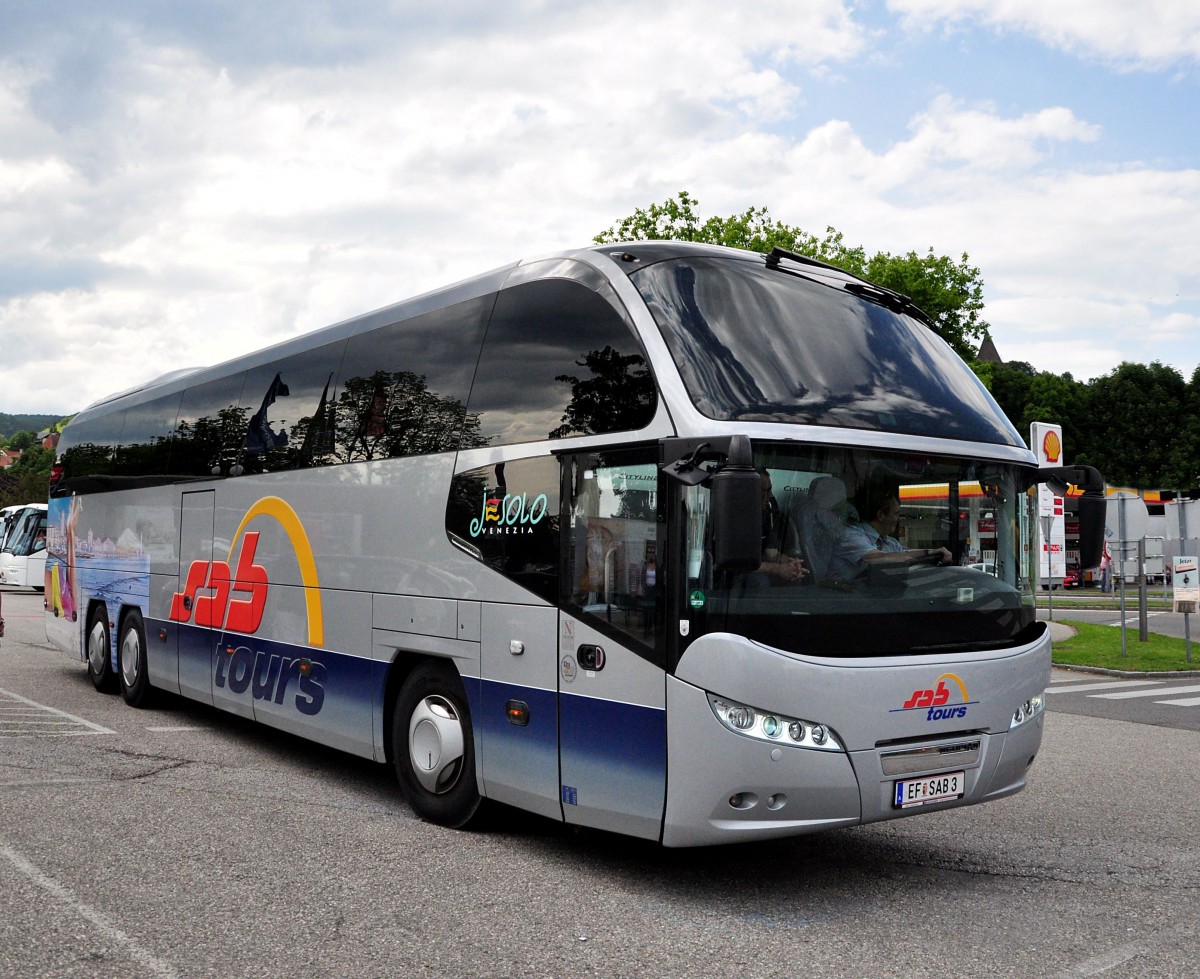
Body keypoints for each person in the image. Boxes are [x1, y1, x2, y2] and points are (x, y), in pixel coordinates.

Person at [829, 472, 951, 581]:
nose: (899, 519)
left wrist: (931, 553)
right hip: (843, 600)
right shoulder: (851, 536)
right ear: (881, 515)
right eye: (896, 514)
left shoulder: (889, 543)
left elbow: (902, 554)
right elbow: (878, 558)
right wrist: (923, 556)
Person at [758, 472, 807, 583]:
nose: (771, 495)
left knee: (796, 576)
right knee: (759, 580)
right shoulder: (733, 520)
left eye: (770, 490)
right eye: (765, 491)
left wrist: (790, 563)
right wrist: (778, 569)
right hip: (735, 588)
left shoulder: (766, 515)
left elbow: (771, 554)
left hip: (759, 565)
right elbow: (741, 564)